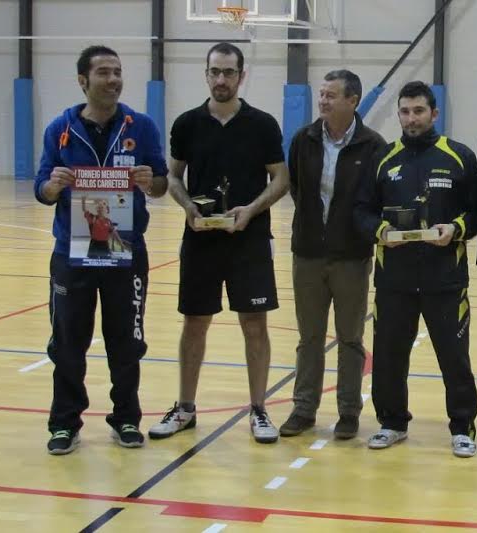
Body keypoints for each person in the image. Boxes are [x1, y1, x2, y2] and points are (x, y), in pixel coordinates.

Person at [148, 42, 289, 444]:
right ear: (206, 74)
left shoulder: (262, 125)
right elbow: (172, 176)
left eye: (229, 72)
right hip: (201, 241)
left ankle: (259, 409)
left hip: (250, 241)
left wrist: (252, 209)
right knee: (194, 323)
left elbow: (280, 179)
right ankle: (185, 408)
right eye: (215, 71)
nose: (222, 79)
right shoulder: (187, 124)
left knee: (254, 325)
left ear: (241, 75)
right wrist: (189, 208)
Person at [34, 45, 168, 454]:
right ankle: (64, 423)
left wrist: (150, 181)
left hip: (125, 251)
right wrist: (53, 187)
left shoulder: (140, 126)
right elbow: (41, 188)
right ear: (83, 81)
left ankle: (126, 419)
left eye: (118, 72)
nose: (113, 80)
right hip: (72, 254)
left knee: (126, 341)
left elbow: (161, 184)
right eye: (104, 73)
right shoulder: (60, 127)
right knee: (67, 342)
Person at [354, 81, 477, 458]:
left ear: (434, 113)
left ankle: (462, 427)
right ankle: (392, 422)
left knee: (454, 356)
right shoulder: (383, 158)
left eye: (419, 111)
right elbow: (361, 211)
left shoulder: (458, 156)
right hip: (393, 278)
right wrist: (382, 232)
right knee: (389, 354)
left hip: (445, 278)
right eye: (405, 112)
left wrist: (455, 229)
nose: (411, 119)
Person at [280, 70, 387, 439]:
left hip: (352, 257)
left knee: (350, 338)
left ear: (353, 100)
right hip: (307, 254)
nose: (323, 101)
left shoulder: (374, 146)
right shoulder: (303, 140)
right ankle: (303, 408)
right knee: (309, 336)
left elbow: (376, 200)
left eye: (331, 95)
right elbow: (296, 188)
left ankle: (348, 412)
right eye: (321, 94)